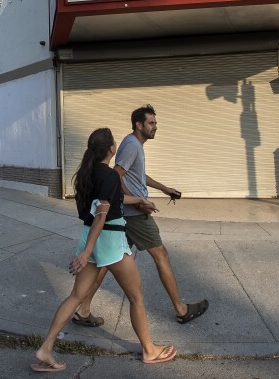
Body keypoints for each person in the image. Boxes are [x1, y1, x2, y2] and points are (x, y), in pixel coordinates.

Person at [31, 128, 176, 372]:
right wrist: (87, 253)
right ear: (111, 149)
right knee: (136, 297)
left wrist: (140, 201)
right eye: (115, 144)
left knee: (76, 296)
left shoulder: (86, 174)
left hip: (91, 235)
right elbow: (102, 215)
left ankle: (46, 348)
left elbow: (111, 200)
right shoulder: (108, 175)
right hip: (108, 239)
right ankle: (150, 351)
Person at [75, 105, 209, 327]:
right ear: (139, 125)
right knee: (161, 255)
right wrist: (138, 203)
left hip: (125, 214)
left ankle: (83, 309)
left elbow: (137, 174)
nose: (155, 126)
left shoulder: (133, 144)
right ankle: (181, 309)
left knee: (108, 262)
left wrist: (165, 189)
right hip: (133, 215)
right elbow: (116, 176)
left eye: (155, 122)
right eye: (151, 123)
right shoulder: (132, 146)